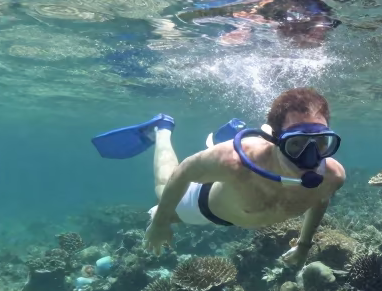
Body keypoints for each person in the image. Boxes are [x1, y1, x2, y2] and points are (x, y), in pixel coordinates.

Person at [91, 87, 345, 267]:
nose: (310, 158)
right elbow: (184, 172)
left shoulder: (332, 176)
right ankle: (161, 129)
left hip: (235, 207)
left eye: (321, 143)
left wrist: (303, 246)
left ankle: (227, 133)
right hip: (205, 209)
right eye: (296, 144)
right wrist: (160, 221)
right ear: (275, 140)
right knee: (163, 186)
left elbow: (320, 199)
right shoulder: (233, 161)